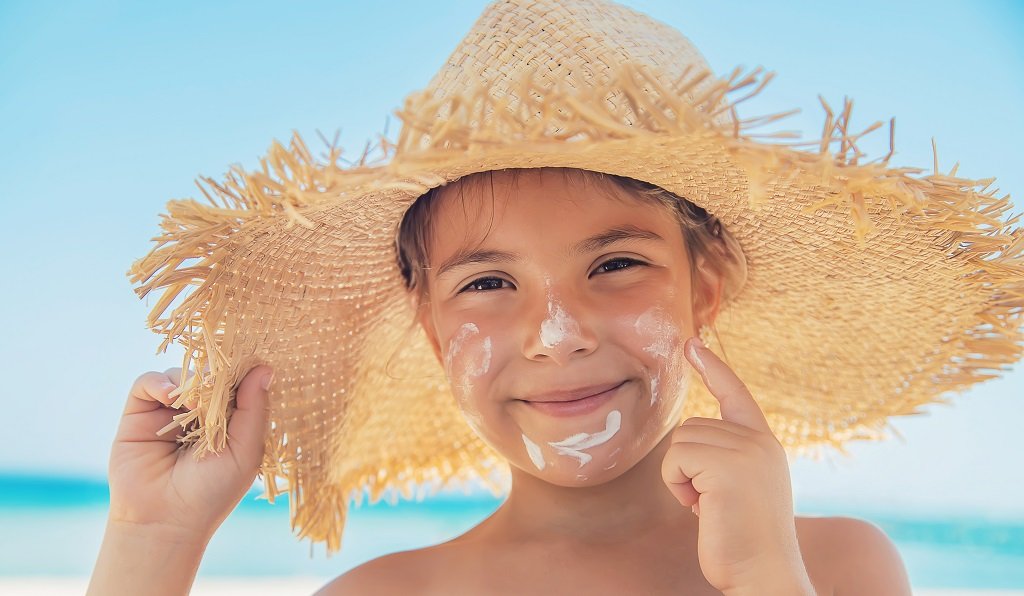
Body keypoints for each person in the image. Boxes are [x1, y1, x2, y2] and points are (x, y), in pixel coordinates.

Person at [89, 0, 1022, 594]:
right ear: (430, 327)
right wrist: (154, 539)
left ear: (707, 288)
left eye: (615, 266)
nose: (556, 333)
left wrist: (762, 573)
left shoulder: (838, 567)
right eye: (489, 283)